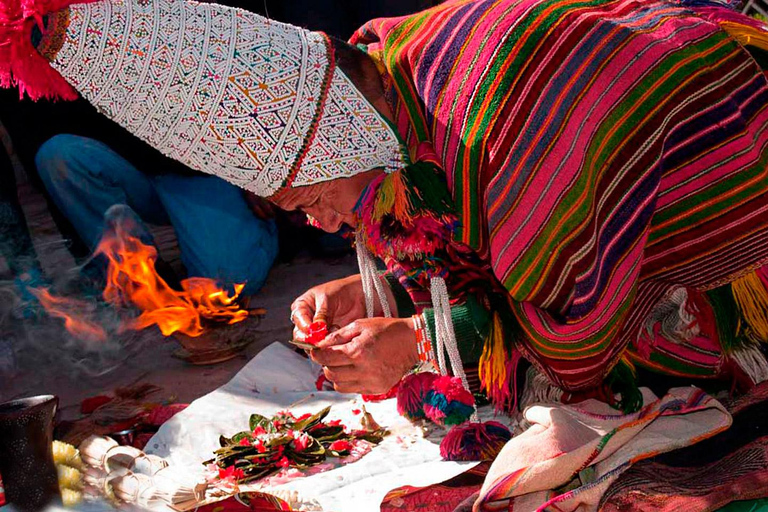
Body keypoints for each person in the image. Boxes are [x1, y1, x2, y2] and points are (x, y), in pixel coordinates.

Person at [5, 0, 768, 412]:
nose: (320, 225)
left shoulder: (498, 131)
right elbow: (460, 227)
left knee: (631, 384)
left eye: (311, 198)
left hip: (733, 169)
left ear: (342, 142)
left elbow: (571, 319)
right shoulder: (378, 76)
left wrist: (420, 340)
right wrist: (380, 293)